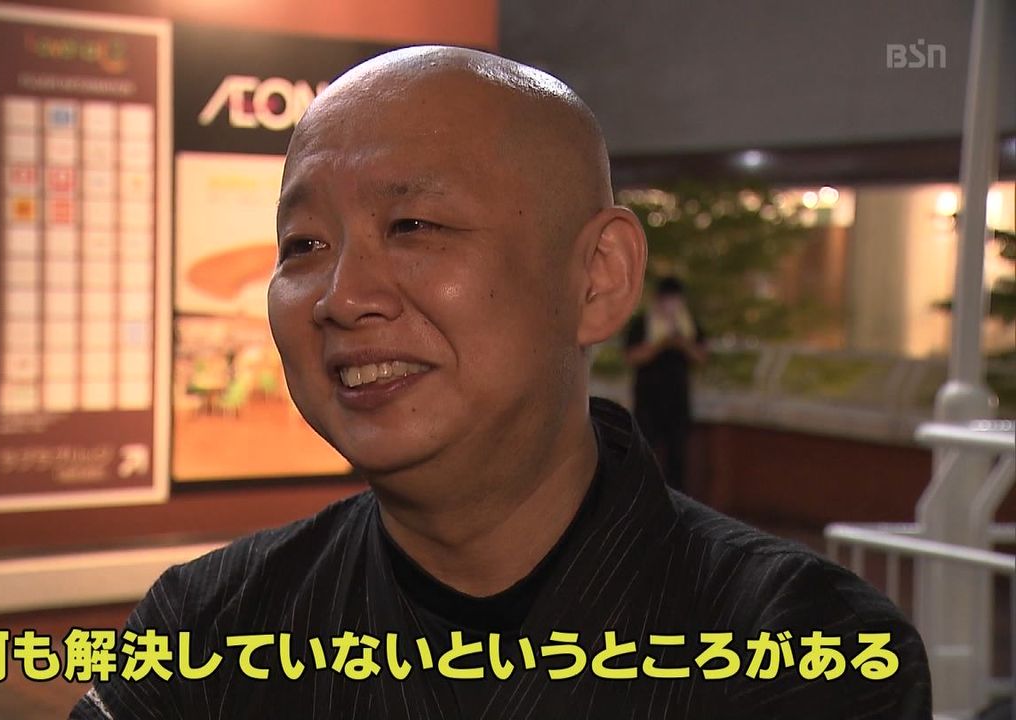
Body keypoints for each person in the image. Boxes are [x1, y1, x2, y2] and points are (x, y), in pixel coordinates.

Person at [71, 46, 930, 719]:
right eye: (304, 246)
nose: (342, 297)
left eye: (412, 224)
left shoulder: (806, 648)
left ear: (598, 278)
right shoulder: (210, 624)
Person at [624, 275, 707, 492]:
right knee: (645, 454)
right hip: (647, 402)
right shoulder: (642, 323)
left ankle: (676, 501)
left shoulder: (689, 325)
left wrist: (681, 342)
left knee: (677, 458)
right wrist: (660, 343)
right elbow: (632, 357)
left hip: (678, 402)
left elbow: (701, 357)